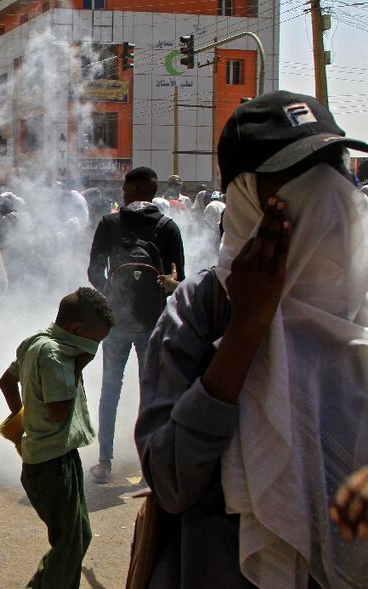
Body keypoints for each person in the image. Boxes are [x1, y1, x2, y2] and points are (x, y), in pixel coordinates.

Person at [135, 90, 368, 587]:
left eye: (334, 165)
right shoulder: (202, 310)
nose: (327, 192)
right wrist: (246, 332)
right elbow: (171, 482)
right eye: (300, 177)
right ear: (246, 200)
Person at [0, 288, 115, 588]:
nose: (94, 349)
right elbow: (58, 413)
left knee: (78, 536)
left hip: (56, 457)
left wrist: (23, 417)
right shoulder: (56, 355)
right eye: (95, 342)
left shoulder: (35, 342)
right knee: (69, 544)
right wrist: (79, 366)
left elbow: (7, 382)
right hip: (51, 464)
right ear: (76, 330)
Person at [87, 166, 185, 484]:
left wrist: (110, 299)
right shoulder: (168, 227)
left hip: (115, 323)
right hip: (153, 324)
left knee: (110, 389)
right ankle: (149, 466)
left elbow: (93, 270)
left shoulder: (110, 223)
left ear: (130, 191)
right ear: (154, 192)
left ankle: (104, 462)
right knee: (152, 393)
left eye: (126, 189)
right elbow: (178, 279)